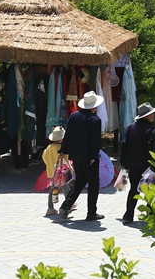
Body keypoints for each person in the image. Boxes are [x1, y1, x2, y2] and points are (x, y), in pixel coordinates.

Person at [58, 90, 105, 221]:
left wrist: (63, 150)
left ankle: (66, 206)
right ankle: (91, 213)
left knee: (80, 181)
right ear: (95, 106)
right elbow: (95, 141)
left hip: (75, 155)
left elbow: (68, 135)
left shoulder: (74, 116)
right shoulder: (95, 120)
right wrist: (93, 156)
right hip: (89, 157)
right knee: (93, 184)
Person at [120, 103, 155, 223]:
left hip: (132, 164)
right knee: (150, 189)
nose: (153, 115)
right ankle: (151, 215)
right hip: (147, 165)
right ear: (147, 116)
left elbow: (124, 146)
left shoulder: (130, 128)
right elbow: (152, 148)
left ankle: (128, 215)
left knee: (133, 189)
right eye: (151, 114)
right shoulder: (151, 130)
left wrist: (123, 162)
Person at [42, 127, 68, 216]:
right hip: (61, 173)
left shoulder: (49, 148)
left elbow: (44, 158)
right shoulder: (62, 148)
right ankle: (68, 204)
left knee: (52, 189)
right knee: (65, 187)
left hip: (51, 172)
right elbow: (67, 160)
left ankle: (50, 208)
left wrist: (49, 165)